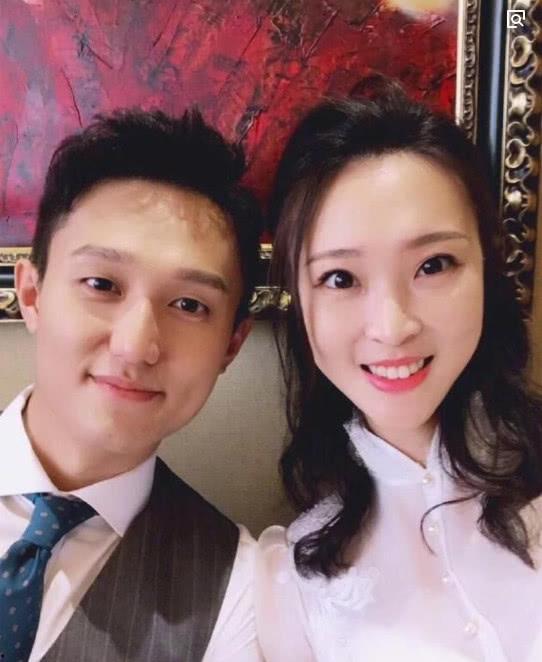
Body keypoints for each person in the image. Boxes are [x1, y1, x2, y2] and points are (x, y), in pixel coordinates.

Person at [255, 88, 542, 662]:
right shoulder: (289, 583)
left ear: (486, 267)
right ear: (298, 299)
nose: (391, 327)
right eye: (340, 278)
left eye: (433, 265)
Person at [0, 108, 264, 661]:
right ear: (32, 295)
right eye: (102, 284)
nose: (136, 345)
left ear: (232, 345)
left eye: (189, 305)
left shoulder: (240, 589)